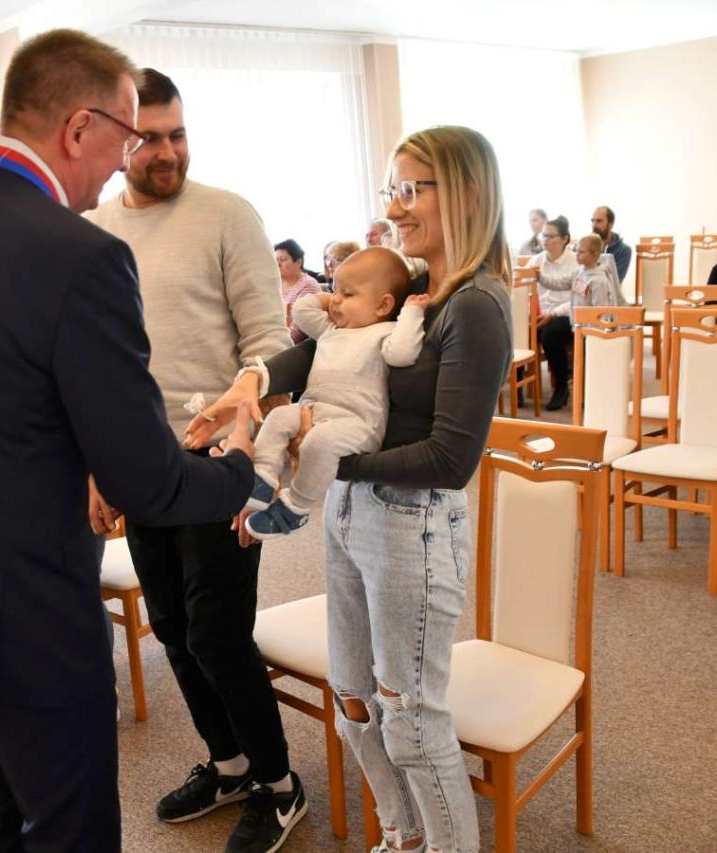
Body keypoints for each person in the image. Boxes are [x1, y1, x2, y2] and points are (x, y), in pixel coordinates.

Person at [0, 30, 257, 852]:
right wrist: (242, 466)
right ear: (79, 127)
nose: (124, 162)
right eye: (126, 136)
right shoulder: (81, 254)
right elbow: (146, 482)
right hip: (22, 611)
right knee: (71, 828)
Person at [188, 125, 513, 853]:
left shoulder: (475, 306)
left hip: (409, 524)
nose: (394, 207)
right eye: (391, 189)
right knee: (356, 704)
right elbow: (321, 350)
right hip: (350, 512)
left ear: (465, 193)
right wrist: (252, 384)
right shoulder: (414, 289)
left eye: (411, 189)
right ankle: (401, 837)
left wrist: (322, 458)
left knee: (410, 718)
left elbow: (450, 460)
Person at [84, 67, 307, 853]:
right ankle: (232, 763)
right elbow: (95, 365)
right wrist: (97, 466)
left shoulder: (226, 214)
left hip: (220, 459)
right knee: (174, 628)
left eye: (178, 134)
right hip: (141, 462)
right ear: (115, 140)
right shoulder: (94, 231)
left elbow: (270, 346)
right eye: (149, 138)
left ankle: (280, 783)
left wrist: (252, 455)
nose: (168, 151)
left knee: (217, 633)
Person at [245, 248, 426, 538]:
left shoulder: (386, 331)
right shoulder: (331, 330)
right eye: (334, 290)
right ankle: (262, 476)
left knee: (319, 442)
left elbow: (404, 353)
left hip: (357, 422)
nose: (336, 300)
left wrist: (412, 313)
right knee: (277, 417)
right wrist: (333, 297)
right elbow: (302, 310)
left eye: (348, 294)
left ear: (383, 305)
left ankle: (297, 506)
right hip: (313, 409)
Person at [529, 215, 579, 410]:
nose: (545, 240)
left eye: (550, 236)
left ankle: (561, 387)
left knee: (550, 333)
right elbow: (522, 289)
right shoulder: (536, 261)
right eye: (544, 235)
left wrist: (553, 313)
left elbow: (577, 299)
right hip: (539, 314)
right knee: (518, 328)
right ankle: (519, 387)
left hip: (566, 315)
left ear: (564, 238)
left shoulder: (576, 262)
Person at [275, 238, 324, 342]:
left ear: (298, 262)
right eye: (275, 260)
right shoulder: (275, 283)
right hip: (275, 337)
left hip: (291, 345)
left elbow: (296, 334)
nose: (277, 264)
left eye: (282, 260)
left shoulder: (308, 286)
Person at [571, 233, 625, 311]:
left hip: (590, 318)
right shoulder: (577, 272)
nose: (577, 255)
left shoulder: (599, 281)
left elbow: (600, 312)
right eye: (576, 251)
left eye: (581, 252)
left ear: (595, 255)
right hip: (577, 318)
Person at [591, 205, 632, 281]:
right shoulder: (583, 246)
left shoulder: (623, 250)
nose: (594, 225)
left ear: (611, 224)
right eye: (592, 221)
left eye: (599, 221)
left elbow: (614, 281)